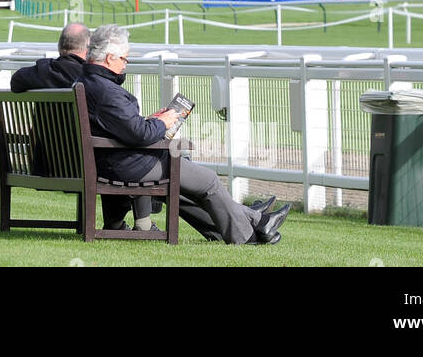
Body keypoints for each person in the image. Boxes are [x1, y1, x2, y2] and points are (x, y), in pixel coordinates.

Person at [77, 24, 289, 243]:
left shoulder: (84, 83)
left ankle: (250, 221)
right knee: (209, 181)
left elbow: (116, 126)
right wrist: (163, 123)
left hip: (108, 161)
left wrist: (152, 121)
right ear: (110, 58)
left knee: (183, 189)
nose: (125, 65)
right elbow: (139, 135)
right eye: (124, 59)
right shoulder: (108, 91)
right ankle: (248, 234)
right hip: (128, 165)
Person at [10, 22, 89, 92]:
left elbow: (15, 81)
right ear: (87, 49)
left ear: (59, 46)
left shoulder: (41, 71)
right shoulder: (88, 76)